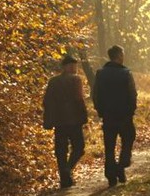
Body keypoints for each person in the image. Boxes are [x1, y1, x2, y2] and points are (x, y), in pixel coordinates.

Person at [92, 45, 138, 187]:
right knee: (129, 138)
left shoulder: (100, 73)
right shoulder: (126, 73)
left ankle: (111, 176)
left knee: (109, 147)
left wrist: (100, 111)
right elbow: (132, 94)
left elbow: (95, 94)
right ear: (118, 56)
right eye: (122, 54)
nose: (123, 56)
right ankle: (121, 166)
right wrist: (131, 110)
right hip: (124, 115)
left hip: (108, 116)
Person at [42, 54, 88, 189]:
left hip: (59, 121)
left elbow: (47, 101)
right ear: (65, 67)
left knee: (61, 151)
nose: (74, 68)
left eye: (75, 65)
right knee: (79, 148)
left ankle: (64, 179)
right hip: (74, 121)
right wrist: (84, 116)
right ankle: (67, 170)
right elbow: (79, 99)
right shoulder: (76, 80)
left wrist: (49, 119)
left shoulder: (53, 81)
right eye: (72, 65)